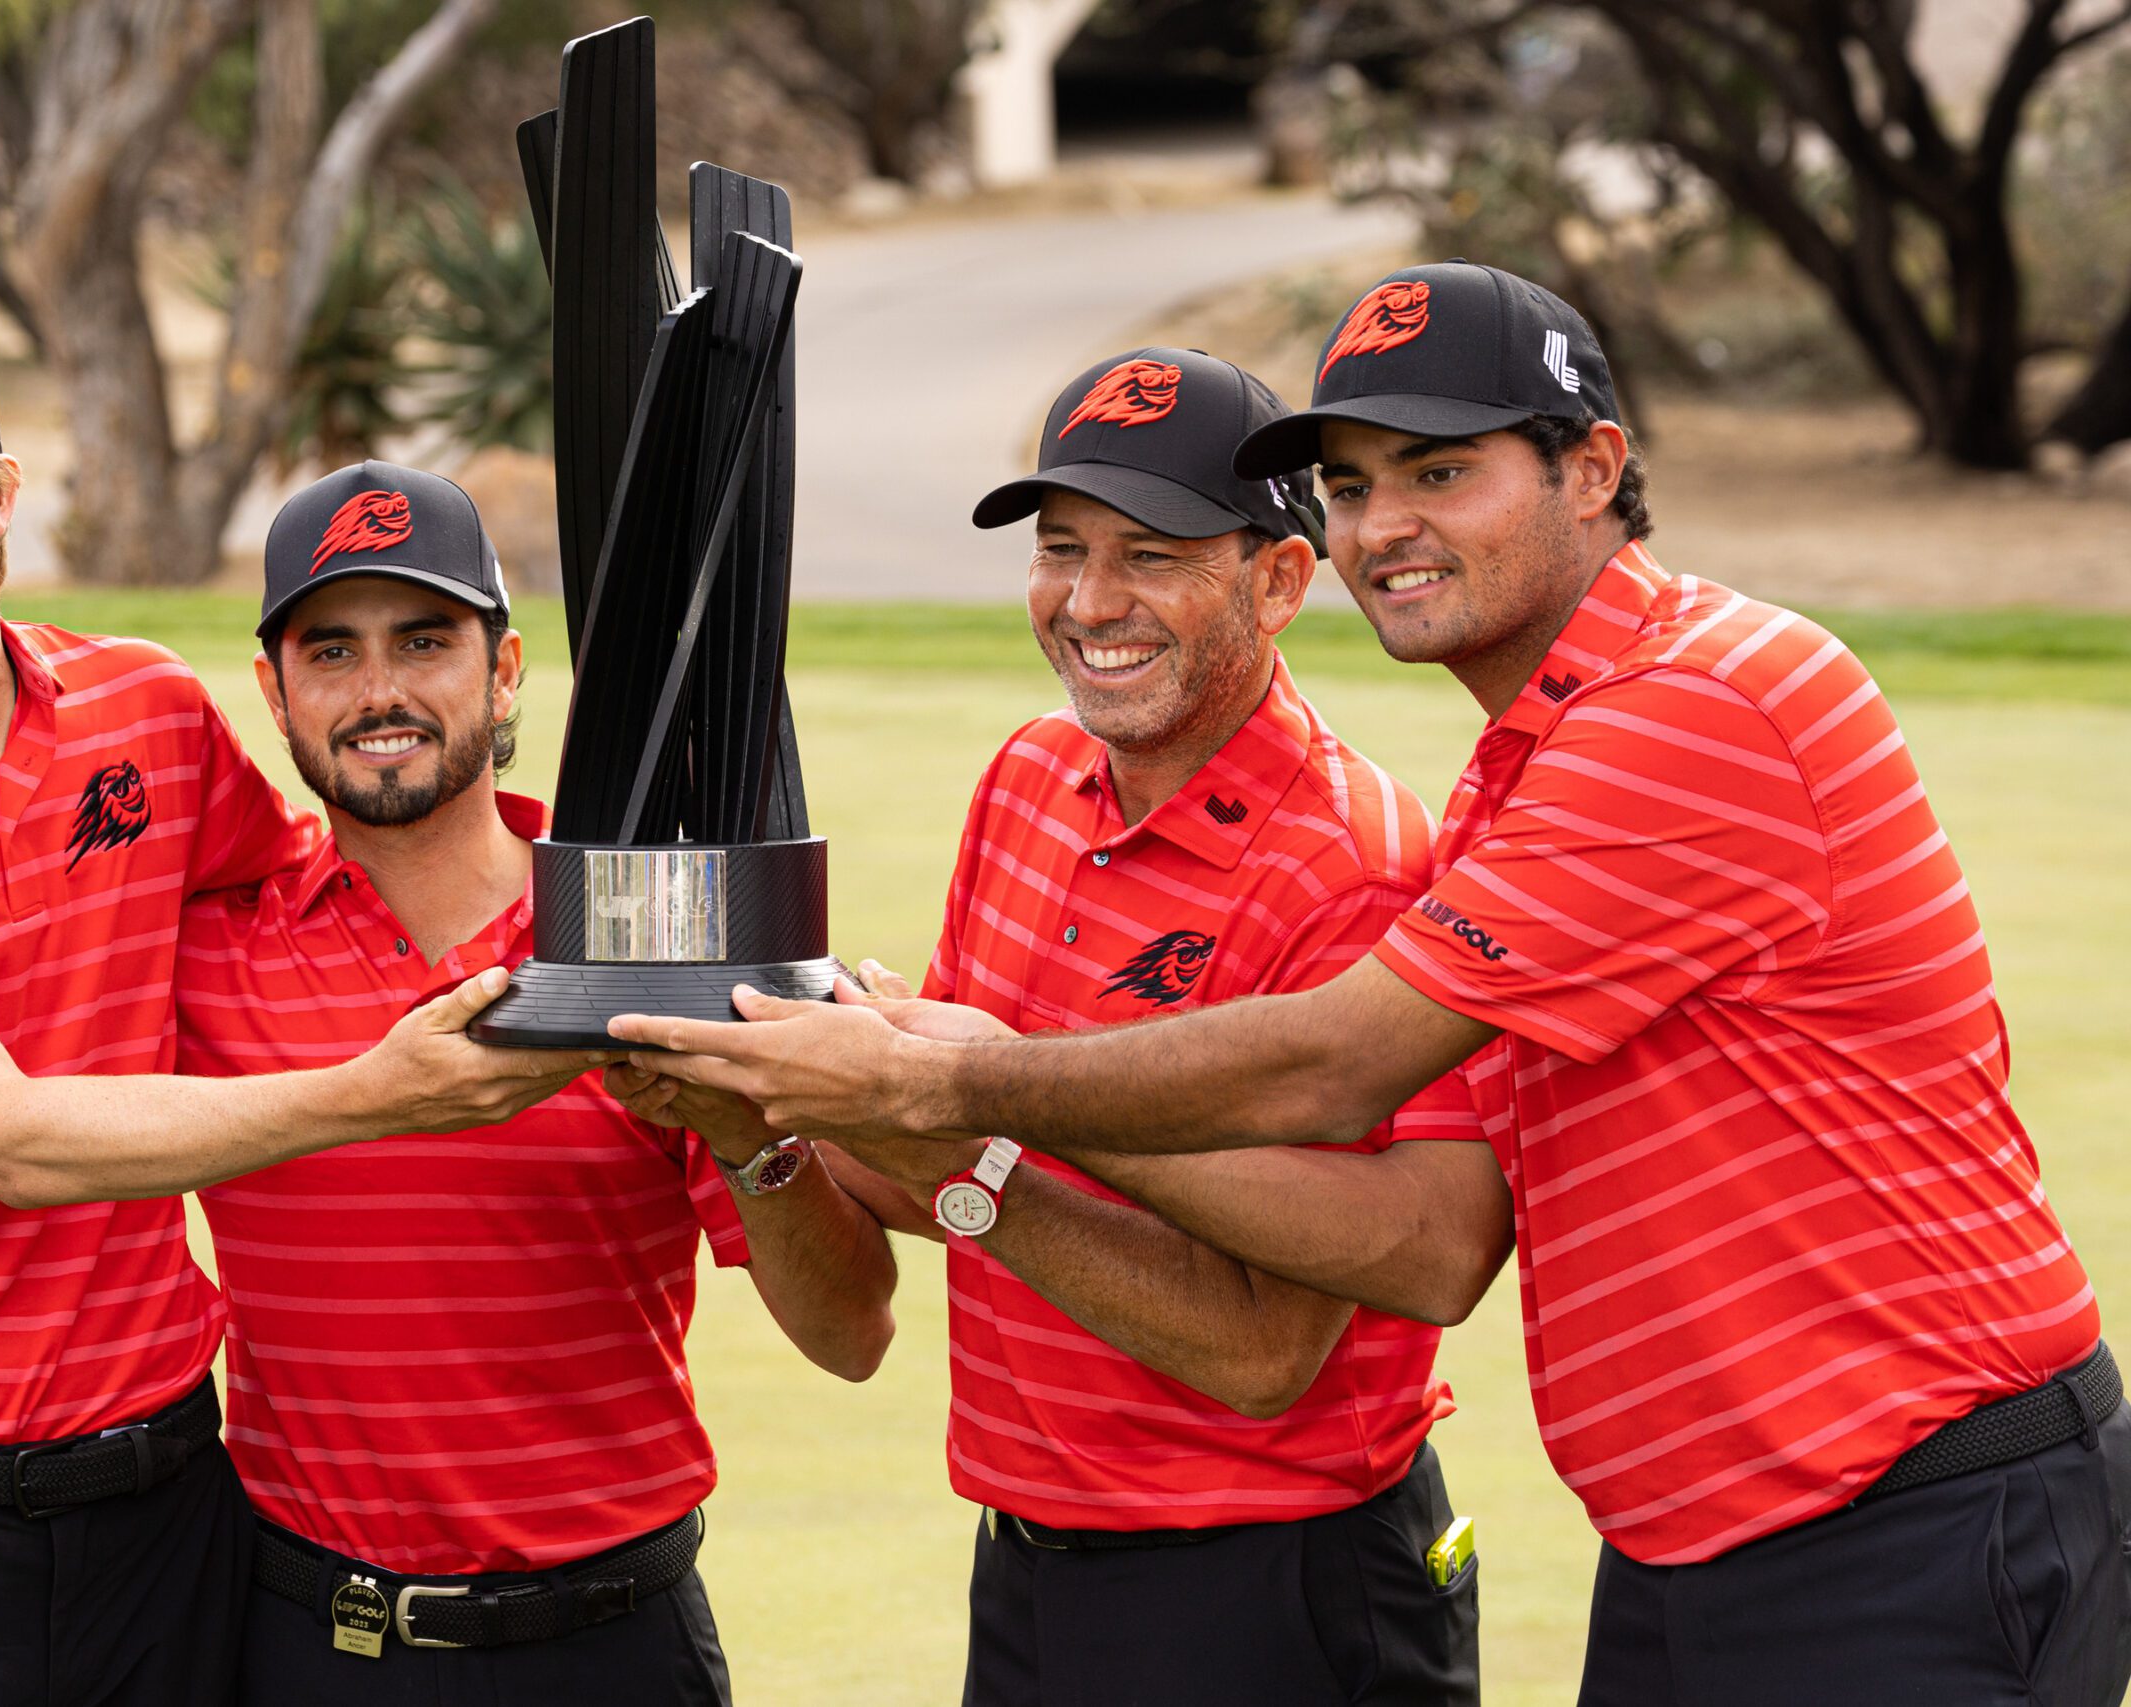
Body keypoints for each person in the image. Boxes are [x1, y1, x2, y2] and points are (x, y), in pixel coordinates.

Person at [610, 264, 2131, 1703]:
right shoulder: (1517, 772)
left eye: (1439, 468)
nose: (1383, 522)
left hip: (1907, 1503)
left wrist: (953, 1087)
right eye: (1350, 482)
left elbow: (1345, 1098)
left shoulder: (1688, 705)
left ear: (1595, 468)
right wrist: (781, 1079)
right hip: (1707, 1529)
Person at [0, 295, 591, 1707]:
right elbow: (6, 1138)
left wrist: (617, 935)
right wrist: (380, 1092)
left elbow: (339, 896)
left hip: (164, 1517)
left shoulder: (147, 715)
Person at [625, 349, 1505, 1704]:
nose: (1090, 602)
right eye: (1061, 548)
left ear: (1278, 579)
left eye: (1151, 554)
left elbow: (1260, 1351)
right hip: (1033, 1558)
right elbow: (932, 1150)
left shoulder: (1361, 864)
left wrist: (961, 1125)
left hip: (1276, 1586)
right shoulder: (1029, 779)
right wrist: (771, 1107)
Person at [173, 461, 898, 1705]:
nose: (381, 692)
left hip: (606, 1646)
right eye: (331, 652)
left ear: (505, 671)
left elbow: (851, 1334)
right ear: (273, 693)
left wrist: (742, 1134)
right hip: (302, 1645)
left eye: (425, 641)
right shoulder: (205, 945)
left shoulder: (648, 934)